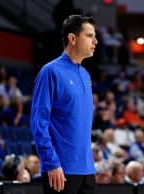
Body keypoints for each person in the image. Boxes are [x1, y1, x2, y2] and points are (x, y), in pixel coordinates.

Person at [30, 15, 98, 194]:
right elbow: (39, 123)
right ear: (72, 38)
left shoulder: (85, 75)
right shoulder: (50, 72)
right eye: (90, 36)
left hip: (87, 170)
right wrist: (51, 163)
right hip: (61, 170)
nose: (95, 41)